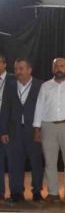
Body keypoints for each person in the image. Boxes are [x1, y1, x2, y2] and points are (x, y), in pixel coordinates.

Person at [33, 58, 65, 203]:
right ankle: (52, 192)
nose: (59, 68)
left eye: (62, 66)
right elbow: (39, 107)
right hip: (48, 126)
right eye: (56, 66)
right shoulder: (45, 86)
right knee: (50, 162)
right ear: (52, 69)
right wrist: (37, 128)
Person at [0, 58, 42, 202]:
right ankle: (16, 192)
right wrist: (3, 131)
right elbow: (5, 109)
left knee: (36, 162)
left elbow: (45, 109)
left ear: (29, 70)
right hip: (14, 132)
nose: (17, 72)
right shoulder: (10, 86)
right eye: (16, 69)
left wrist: (40, 128)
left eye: (21, 69)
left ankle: (37, 191)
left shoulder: (40, 85)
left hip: (34, 130)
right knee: (15, 163)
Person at [0, 55, 14, 201]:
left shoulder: (13, 79)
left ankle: (15, 192)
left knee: (12, 161)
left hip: (10, 127)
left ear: (5, 64)